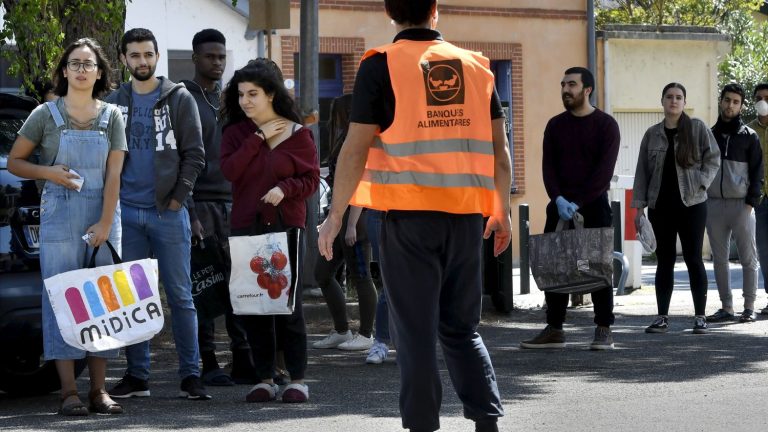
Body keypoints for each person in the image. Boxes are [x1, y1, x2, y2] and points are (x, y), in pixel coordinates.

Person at [317, 1, 512, 430]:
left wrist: (335, 217)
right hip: (465, 220)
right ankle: (487, 421)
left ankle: (423, 426)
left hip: (408, 221)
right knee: (462, 329)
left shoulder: (380, 66)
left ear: (390, 12)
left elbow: (354, 149)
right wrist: (503, 212)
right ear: (435, 11)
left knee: (416, 335)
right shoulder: (477, 67)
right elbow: (501, 151)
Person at [8, 37, 126, 415]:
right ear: (64, 71)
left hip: (104, 215)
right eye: (74, 63)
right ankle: (68, 392)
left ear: (99, 72)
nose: (81, 69)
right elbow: (15, 162)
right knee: (61, 300)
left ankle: (99, 391)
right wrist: (49, 173)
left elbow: (114, 174)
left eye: (88, 64)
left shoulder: (113, 116)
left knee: (101, 301)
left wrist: (106, 221)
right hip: (58, 217)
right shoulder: (45, 114)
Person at [106, 28, 210, 400]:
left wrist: (178, 200)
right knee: (132, 298)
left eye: (147, 54)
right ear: (124, 60)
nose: (142, 62)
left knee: (181, 296)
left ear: (157, 56)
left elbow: (195, 154)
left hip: (168, 213)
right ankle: (138, 376)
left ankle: (191, 375)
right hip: (128, 214)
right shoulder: (113, 102)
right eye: (134, 55)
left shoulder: (178, 98)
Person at [220, 59, 319, 404]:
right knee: (254, 305)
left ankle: (298, 379)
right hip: (247, 226)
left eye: (253, 94)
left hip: (285, 226)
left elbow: (311, 180)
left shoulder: (299, 133)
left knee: (287, 306)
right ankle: (264, 378)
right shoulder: (235, 133)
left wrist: (286, 188)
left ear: (271, 95)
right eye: (241, 94)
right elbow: (230, 171)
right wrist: (259, 137)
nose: (246, 100)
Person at [520, 67, 620, 350]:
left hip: (594, 207)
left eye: (572, 84)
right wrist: (558, 198)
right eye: (563, 84)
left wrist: (579, 201)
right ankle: (554, 328)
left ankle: (603, 328)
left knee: (598, 266)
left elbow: (603, 172)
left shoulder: (606, 125)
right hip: (560, 207)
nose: (566, 89)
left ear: (587, 89)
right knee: (555, 265)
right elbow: (548, 167)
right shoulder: (555, 125)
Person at [181, 28, 255, 386]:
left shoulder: (232, 102)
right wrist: (190, 211)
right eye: (210, 56)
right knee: (205, 285)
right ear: (195, 58)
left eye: (222, 57)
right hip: (200, 204)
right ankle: (207, 361)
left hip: (234, 204)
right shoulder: (183, 99)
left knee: (241, 284)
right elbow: (181, 160)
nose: (217, 62)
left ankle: (243, 358)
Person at [632, 82, 720, 334]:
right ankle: (661, 317)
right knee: (665, 260)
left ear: (684, 102)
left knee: (694, 259)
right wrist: (638, 208)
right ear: (662, 101)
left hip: (692, 205)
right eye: (669, 97)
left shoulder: (697, 128)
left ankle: (700, 317)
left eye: (678, 97)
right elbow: (642, 173)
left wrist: (701, 183)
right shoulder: (652, 135)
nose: (674, 101)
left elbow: (713, 159)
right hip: (660, 207)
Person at [313, 94, 378, 352]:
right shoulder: (345, 139)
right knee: (323, 273)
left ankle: (366, 334)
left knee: (360, 274)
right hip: (340, 216)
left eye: (338, 113)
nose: (334, 119)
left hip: (355, 218)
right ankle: (342, 330)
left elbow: (362, 180)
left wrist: (350, 223)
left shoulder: (360, 140)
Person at [705, 83, 763, 324]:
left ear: (741, 106)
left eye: (735, 102)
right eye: (727, 100)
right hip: (714, 205)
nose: (730, 105)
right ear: (721, 101)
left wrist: (750, 203)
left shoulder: (750, 137)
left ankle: (749, 306)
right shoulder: (709, 135)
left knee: (749, 258)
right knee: (719, 259)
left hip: (742, 205)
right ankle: (726, 307)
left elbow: (758, 172)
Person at [749, 83, 768, 315]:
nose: (762, 101)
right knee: (764, 250)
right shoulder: (748, 131)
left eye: (766, 97)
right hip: (759, 200)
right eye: (759, 97)